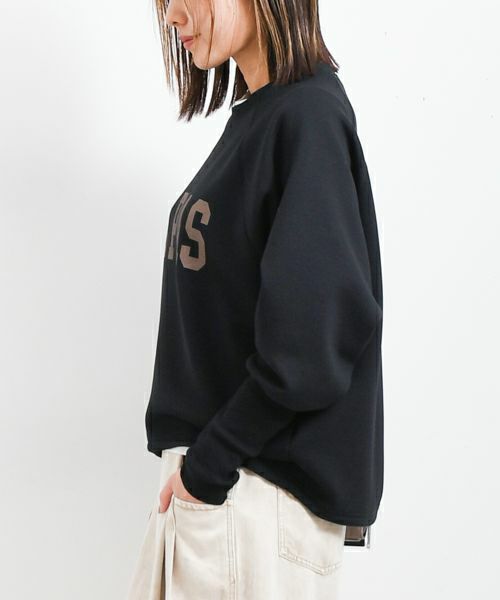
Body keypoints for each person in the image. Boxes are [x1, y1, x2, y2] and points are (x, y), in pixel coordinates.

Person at [127, 0, 384, 598]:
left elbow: (314, 342)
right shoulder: (266, 114)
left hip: (250, 504)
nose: (172, 16)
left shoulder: (307, 116)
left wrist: (208, 468)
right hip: (227, 500)